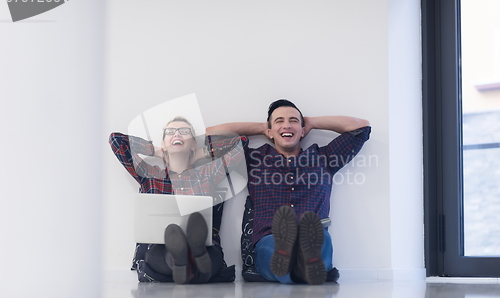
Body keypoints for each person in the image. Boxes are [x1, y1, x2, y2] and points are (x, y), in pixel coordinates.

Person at [207, 99, 371, 285]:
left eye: (293, 121)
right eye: (279, 121)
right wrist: (263, 127)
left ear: (303, 130)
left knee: (319, 239)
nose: (287, 125)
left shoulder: (324, 158)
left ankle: (304, 264)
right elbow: (213, 136)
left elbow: (361, 129)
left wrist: (312, 122)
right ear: (269, 132)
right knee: (277, 251)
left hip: (312, 235)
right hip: (271, 238)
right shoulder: (253, 159)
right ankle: (300, 267)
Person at [109, 116, 247, 284]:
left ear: (194, 143)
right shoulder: (150, 175)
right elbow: (116, 141)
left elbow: (240, 144)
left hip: (204, 246)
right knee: (156, 253)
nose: (177, 134)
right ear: (164, 142)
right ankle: (184, 261)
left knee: (212, 254)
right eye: (170, 132)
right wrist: (156, 150)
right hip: (161, 246)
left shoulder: (208, 174)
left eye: (184, 132)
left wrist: (202, 152)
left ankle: (185, 260)